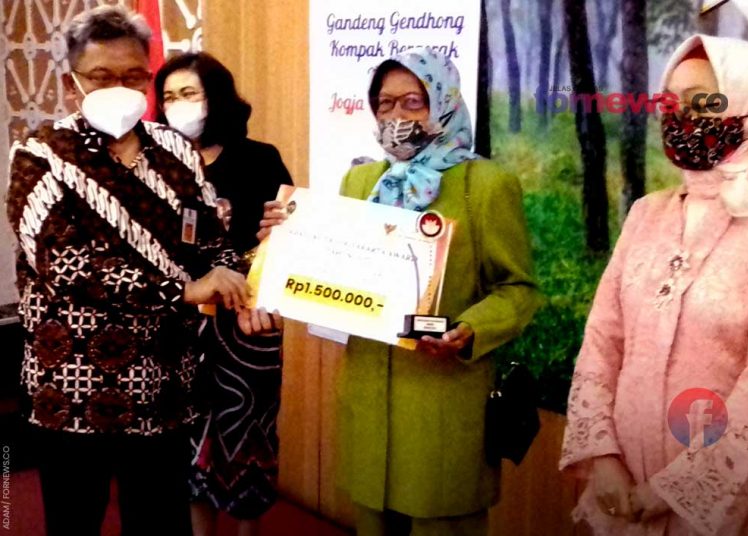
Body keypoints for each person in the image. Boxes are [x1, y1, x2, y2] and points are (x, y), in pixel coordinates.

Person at [5, 6, 276, 536]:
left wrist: (238, 287)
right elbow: (66, 265)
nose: (119, 88)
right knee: (74, 521)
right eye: (101, 76)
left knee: (159, 521)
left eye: (132, 76)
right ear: (71, 85)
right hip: (75, 389)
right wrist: (184, 291)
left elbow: (210, 242)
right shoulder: (40, 155)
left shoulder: (176, 151)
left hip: (166, 383)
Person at [259, 48, 541, 536]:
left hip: (442, 404)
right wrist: (283, 242)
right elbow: (334, 269)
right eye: (385, 104)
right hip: (368, 401)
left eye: (413, 101)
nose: (397, 117)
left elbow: (518, 289)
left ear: (444, 101)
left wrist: (470, 330)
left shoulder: (485, 184)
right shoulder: (361, 179)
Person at [560, 35, 748, 535]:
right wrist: (603, 458)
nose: (681, 116)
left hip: (716, 505)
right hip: (619, 491)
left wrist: (673, 488)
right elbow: (602, 341)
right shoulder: (647, 214)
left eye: (702, 102)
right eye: (670, 104)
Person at [154, 52, 291, 536]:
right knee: (192, 444)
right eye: (168, 96)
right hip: (182, 323)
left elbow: (284, 240)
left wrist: (276, 235)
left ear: (216, 97)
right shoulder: (157, 165)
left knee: (248, 435)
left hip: (249, 320)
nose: (178, 104)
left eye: (189, 93)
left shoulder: (260, 157)